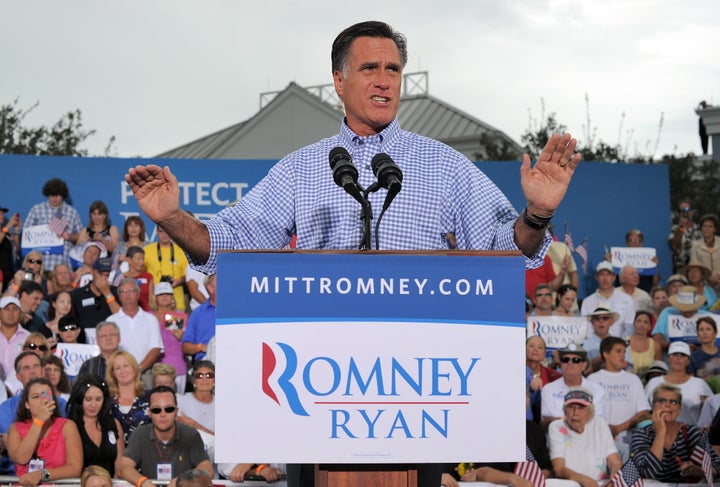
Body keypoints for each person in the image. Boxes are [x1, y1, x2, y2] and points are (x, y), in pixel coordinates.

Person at [126, 20, 581, 487]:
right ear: (339, 81)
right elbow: (225, 243)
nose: (385, 79)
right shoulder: (303, 168)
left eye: (393, 69)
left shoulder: (443, 165)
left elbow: (505, 251)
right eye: (369, 68)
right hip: (320, 391)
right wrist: (170, 218)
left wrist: (538, 214)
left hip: (410, 393)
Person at [118, 385, 212, 487]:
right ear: (149, 413)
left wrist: (179, 481)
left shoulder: (190, 434)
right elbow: (123, 468)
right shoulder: (140, 434)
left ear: (176, 411)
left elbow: (207, 469)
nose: (163, 414)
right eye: (156, 410)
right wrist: (144, 482)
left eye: (169, 409)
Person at [633, 383, 720, 482]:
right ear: (653, 407)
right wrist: (660, 433)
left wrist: (701, 471)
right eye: (662, 401)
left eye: (674, 402)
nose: (667, 405)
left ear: (679, 409)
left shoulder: (691, 433)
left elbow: (717, 465)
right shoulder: (642, 434)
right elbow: (648, 473)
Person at [6, 377, 82, 486]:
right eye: (35, 397)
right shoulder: (15, 428)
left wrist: (42, 475)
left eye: (45, 395)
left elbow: (75, 468)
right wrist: (39, 421)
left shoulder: (67, 426)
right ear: (27, 404)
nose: (42, 401)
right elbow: (21, 458)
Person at [587, 336, 650, 460]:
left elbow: (643, 411)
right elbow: (587, 411)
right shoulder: (592, 379)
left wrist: (619, 428)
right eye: (618, 351)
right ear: (606, 354)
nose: (623, 355)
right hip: (598, 441)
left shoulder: (633, 379)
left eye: (624, 352)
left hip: (628, 442)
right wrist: (606, 430)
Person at [548, 388, 622, 486]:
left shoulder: (600, 424)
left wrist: (614, 478)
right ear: (565, 411)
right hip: (570, 484)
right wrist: (584, 480)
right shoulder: (557, 427)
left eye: (581, 408)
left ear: (590, 412)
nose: (575, 412)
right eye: (571, 407)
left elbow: (614, 461)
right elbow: (559, 468)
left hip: (599, 483)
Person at [107, 278, 163, 388]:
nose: (127, 294)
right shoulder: (110, 321)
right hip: (119, 375)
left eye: (131, 291)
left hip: (145, 374)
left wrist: (137, 369)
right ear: (119, 296)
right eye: (123, 291)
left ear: (138, 294)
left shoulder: (150, 319)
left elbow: (156, 349)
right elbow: (108, 351)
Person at [67, 375, 124, 477]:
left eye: (98, 399)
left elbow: (120, 466)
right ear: (80, 399)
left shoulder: (114, 424)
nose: (93, 405)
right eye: (88, 399)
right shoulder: (69, 426)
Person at [645, 341, 712, 425]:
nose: (678, 358)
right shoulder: (654, 382)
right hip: (659, 433)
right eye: (675, 354)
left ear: (688, 361)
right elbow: (644, 411)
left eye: (683, 355)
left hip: (691, 435)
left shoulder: (699, 384)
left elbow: (711, 410)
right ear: (669, 358)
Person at [24, 178, 83, 272]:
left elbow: (81, 237)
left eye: (57, 195)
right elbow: (26, 235)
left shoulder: (72, 212)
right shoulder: (37, 210)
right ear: (47, 194)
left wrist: (69, 236)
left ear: (63, 195)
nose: (54, 198)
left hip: (64, 266)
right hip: (41, 266)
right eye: (52, 195)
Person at [541, 344, 607, 425]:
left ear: (583, 366)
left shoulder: (597, 390)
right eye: (565, 359)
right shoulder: (548, 389)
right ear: (560, 364)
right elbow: (547, 422)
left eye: (575, 360)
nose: (570, 363)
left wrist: (562, 419)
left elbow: (595, 422)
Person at [580, 262, 635, 338]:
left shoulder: (627, 300)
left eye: (608, 274)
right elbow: (586, 329)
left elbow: (629, 327)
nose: (605, 278)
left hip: (620, 346)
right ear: (596, 277)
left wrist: (620, 345)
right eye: (601, 274)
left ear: (614, 277)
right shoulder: (587, 302)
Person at [106, 351, 149, 444]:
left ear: (134, 368)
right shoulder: (106, 402)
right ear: (112, 373)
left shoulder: (150, 397)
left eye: (126, 366)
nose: (123, 371)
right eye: (117, 368)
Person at [143, 227, 188, 312]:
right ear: (156, 232)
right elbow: (140, 275)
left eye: (168, 231)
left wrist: (178, 281)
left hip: (177, 303)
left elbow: (189, 276)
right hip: (154, 305)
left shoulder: (181, 251)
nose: (165, 235)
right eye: (161, 231)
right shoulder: (146, 251)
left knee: (175, 325)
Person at [153, 282, 187, 391]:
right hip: (156, 370)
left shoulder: (181, 316)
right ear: (155, 297)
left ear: (172, 296)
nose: (164, 297)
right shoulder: (148, 316)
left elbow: (189, 341)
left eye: (168, 294)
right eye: (161, 294)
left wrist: (183, 337)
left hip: (178, 368)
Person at [70, 257, 120, 332]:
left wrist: (107, 293)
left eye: (106, 275)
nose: (103, 278)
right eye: (100, 274)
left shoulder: (115, 291)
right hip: (85, 338)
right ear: (93, 272)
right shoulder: (78, 294)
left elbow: (120, 316)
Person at [181, 274, 215, 362]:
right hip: (206, 364)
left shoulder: (235, 311)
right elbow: (185, 347)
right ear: (211, 288)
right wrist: (201, 347)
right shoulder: (198, 314)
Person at [526, 335, 560, 422]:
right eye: (531, 346)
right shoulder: (514, 371)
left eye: (540, 347)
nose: (535, 349)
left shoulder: (554, 376)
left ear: (544, 354)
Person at [0, 296, 30, 387]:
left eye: (15, 309)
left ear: (20, 313)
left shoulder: (28, 337)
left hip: (20, 388)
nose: (11, 313)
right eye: (6, 309)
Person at [582, 305, 620, 372]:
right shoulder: (584, 345)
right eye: (597, 318)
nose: (601, 321)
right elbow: (583, 369)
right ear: (592, 322)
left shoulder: (618, 343)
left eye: (605, 318)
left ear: (611, 322)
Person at [669, 200, 702, 274]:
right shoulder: (675, 228)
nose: (684, 212)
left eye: (686, 210)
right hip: (681, 269)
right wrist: (681, 227)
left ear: (692, 212)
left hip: (699, 268)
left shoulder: (700, 229)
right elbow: (674, 245)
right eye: (681, 210)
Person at [626, 311, 662, 379]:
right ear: (634, 324)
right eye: (639, 321)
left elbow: (658, 371)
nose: (641, 324)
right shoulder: (624, 342)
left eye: (646, 322)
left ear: (650, 327)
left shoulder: (655, 346)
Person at [689, 316, 720, 392]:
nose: (705, 332)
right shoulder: (693, 357)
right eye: (701, 329)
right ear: (697, 334)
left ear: (715, 333)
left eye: (708, 329)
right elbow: (689, 383)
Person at [691, 213, 720, 294]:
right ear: (701, 228)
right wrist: (708, 278)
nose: (707, 229)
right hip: (704, 284)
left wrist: (718, 276)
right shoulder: (695, 245)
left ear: (715, 229)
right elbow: (694, 265)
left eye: (710, 226)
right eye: (704, 226)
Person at [119, 246, 155, 311]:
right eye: (138, 259)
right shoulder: (121, 278)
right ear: (128, 260)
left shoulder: (148, 277)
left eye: (143, 259)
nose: (141, 262)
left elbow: (152, 301)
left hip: (146, 315)